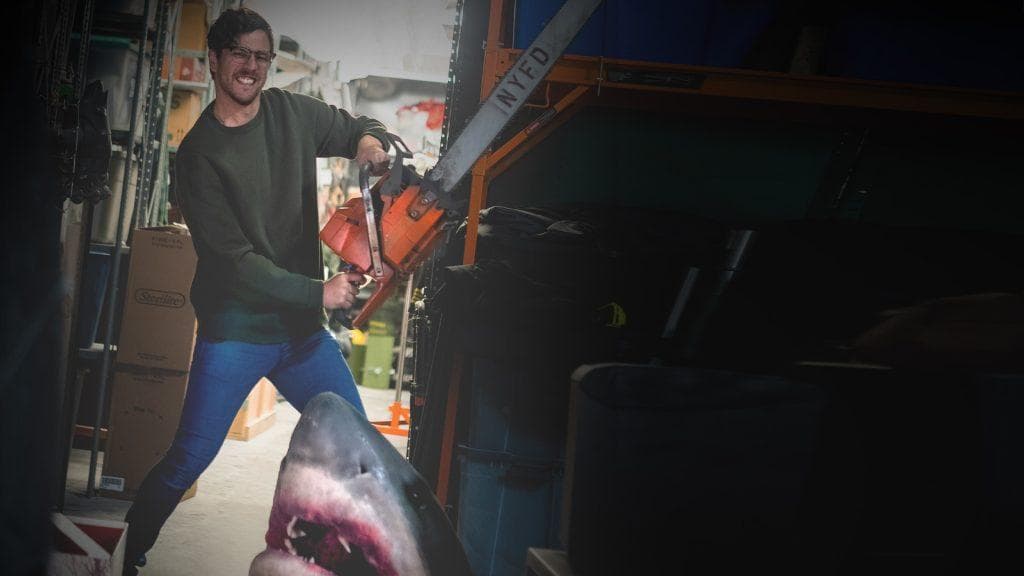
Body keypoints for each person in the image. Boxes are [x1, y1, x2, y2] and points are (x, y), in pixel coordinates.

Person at [121, 8, 390, 574]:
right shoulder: (198, 154)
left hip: (300, 337)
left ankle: (349, 563)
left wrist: (368, 143)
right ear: (215, 59)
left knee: (360, 448)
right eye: (240, 54)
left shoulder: (292, 113)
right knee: (189, 458)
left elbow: (356, 126)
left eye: (261, 56)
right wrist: (319, 293)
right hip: (237, 332)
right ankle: (126, 552)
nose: (251, 66)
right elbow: (235, 264)